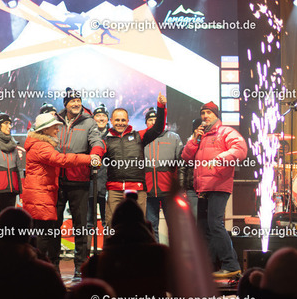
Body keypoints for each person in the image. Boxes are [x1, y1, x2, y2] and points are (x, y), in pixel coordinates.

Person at [21, 112, 99, 273]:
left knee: (42, 233)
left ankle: (38, 267)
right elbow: (62, 160)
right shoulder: (41, 146)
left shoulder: (38, 143)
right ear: (45, 129)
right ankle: (38, 268)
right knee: (44, 234)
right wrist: (88, 159)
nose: (58, 130)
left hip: (39, 192)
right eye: (55, 127)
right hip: (41, 193)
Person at [181, 102, 247, 278]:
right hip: (203, 187)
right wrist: (194, 139)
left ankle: (231, 265)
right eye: (203, 113)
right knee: (204, 227)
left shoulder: (225, 132)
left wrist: (220, 158)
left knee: (215, 224)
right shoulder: (200, 135)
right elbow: (186, 156)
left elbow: (240, 150)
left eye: (209, 113)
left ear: (216, 115)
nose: (205, 116)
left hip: (218, 184)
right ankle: (208, 267)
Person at [55, 88, 105, 277]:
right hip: (57, 181)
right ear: (65, 104)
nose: (76, 103)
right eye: (72, 101)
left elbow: (97, 142)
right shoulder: (55, 120)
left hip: (79, 180)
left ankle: (80, 268)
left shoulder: (89, 121)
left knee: (81, 226)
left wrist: (96, 155)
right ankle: (52, 266)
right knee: (54, 226)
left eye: (78, 100)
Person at [104, 93, 167, 226]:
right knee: (112, 225)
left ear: (128, 121)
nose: (120, 123)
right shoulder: (106, 140)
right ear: (111, 120)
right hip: (115, 189)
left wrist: (161, 107)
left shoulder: (139, 136)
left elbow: (157, 128)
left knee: (138, 226)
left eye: (123, 120)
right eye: (117, 120)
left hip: (136, 189)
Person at [143, 107, 183, 242]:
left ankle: (175, 253)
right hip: (148, 190)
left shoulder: (174, 137)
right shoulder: (142, 138)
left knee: (173, 226)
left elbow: (182, 163)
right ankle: (155, 254)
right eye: (150, 119)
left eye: (156, 119)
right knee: (151, 226)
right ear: (146, 123)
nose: (153, 122)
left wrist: (180, 187)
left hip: (168, 191)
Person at [87, 104, 109, 245]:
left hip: (108, 185)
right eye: (98, 115)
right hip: (90, 184)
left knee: (108, 223)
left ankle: (109, 253)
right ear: (93, 118)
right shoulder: (87, 135)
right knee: (88, 223)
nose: (101, 118)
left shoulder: (113, 136)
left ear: (108, 119)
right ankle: (85, 254)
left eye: (104, 116)